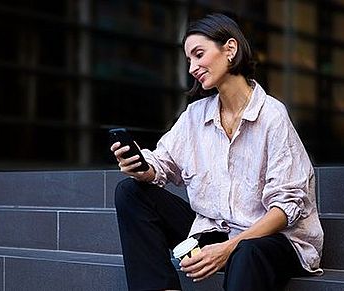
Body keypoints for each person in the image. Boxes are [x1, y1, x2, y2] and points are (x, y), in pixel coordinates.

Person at [111, 13, 324, 291]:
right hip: (216, 231)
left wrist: (227, 248)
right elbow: (163, 163)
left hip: (271, 239)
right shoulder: (195, 115)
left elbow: (286, 209)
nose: (192, 68)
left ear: (230, 49)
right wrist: (140, 165)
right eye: (189, 60)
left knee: (247, 252)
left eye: (199, 54)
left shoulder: (272, 115)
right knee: (130, 192)